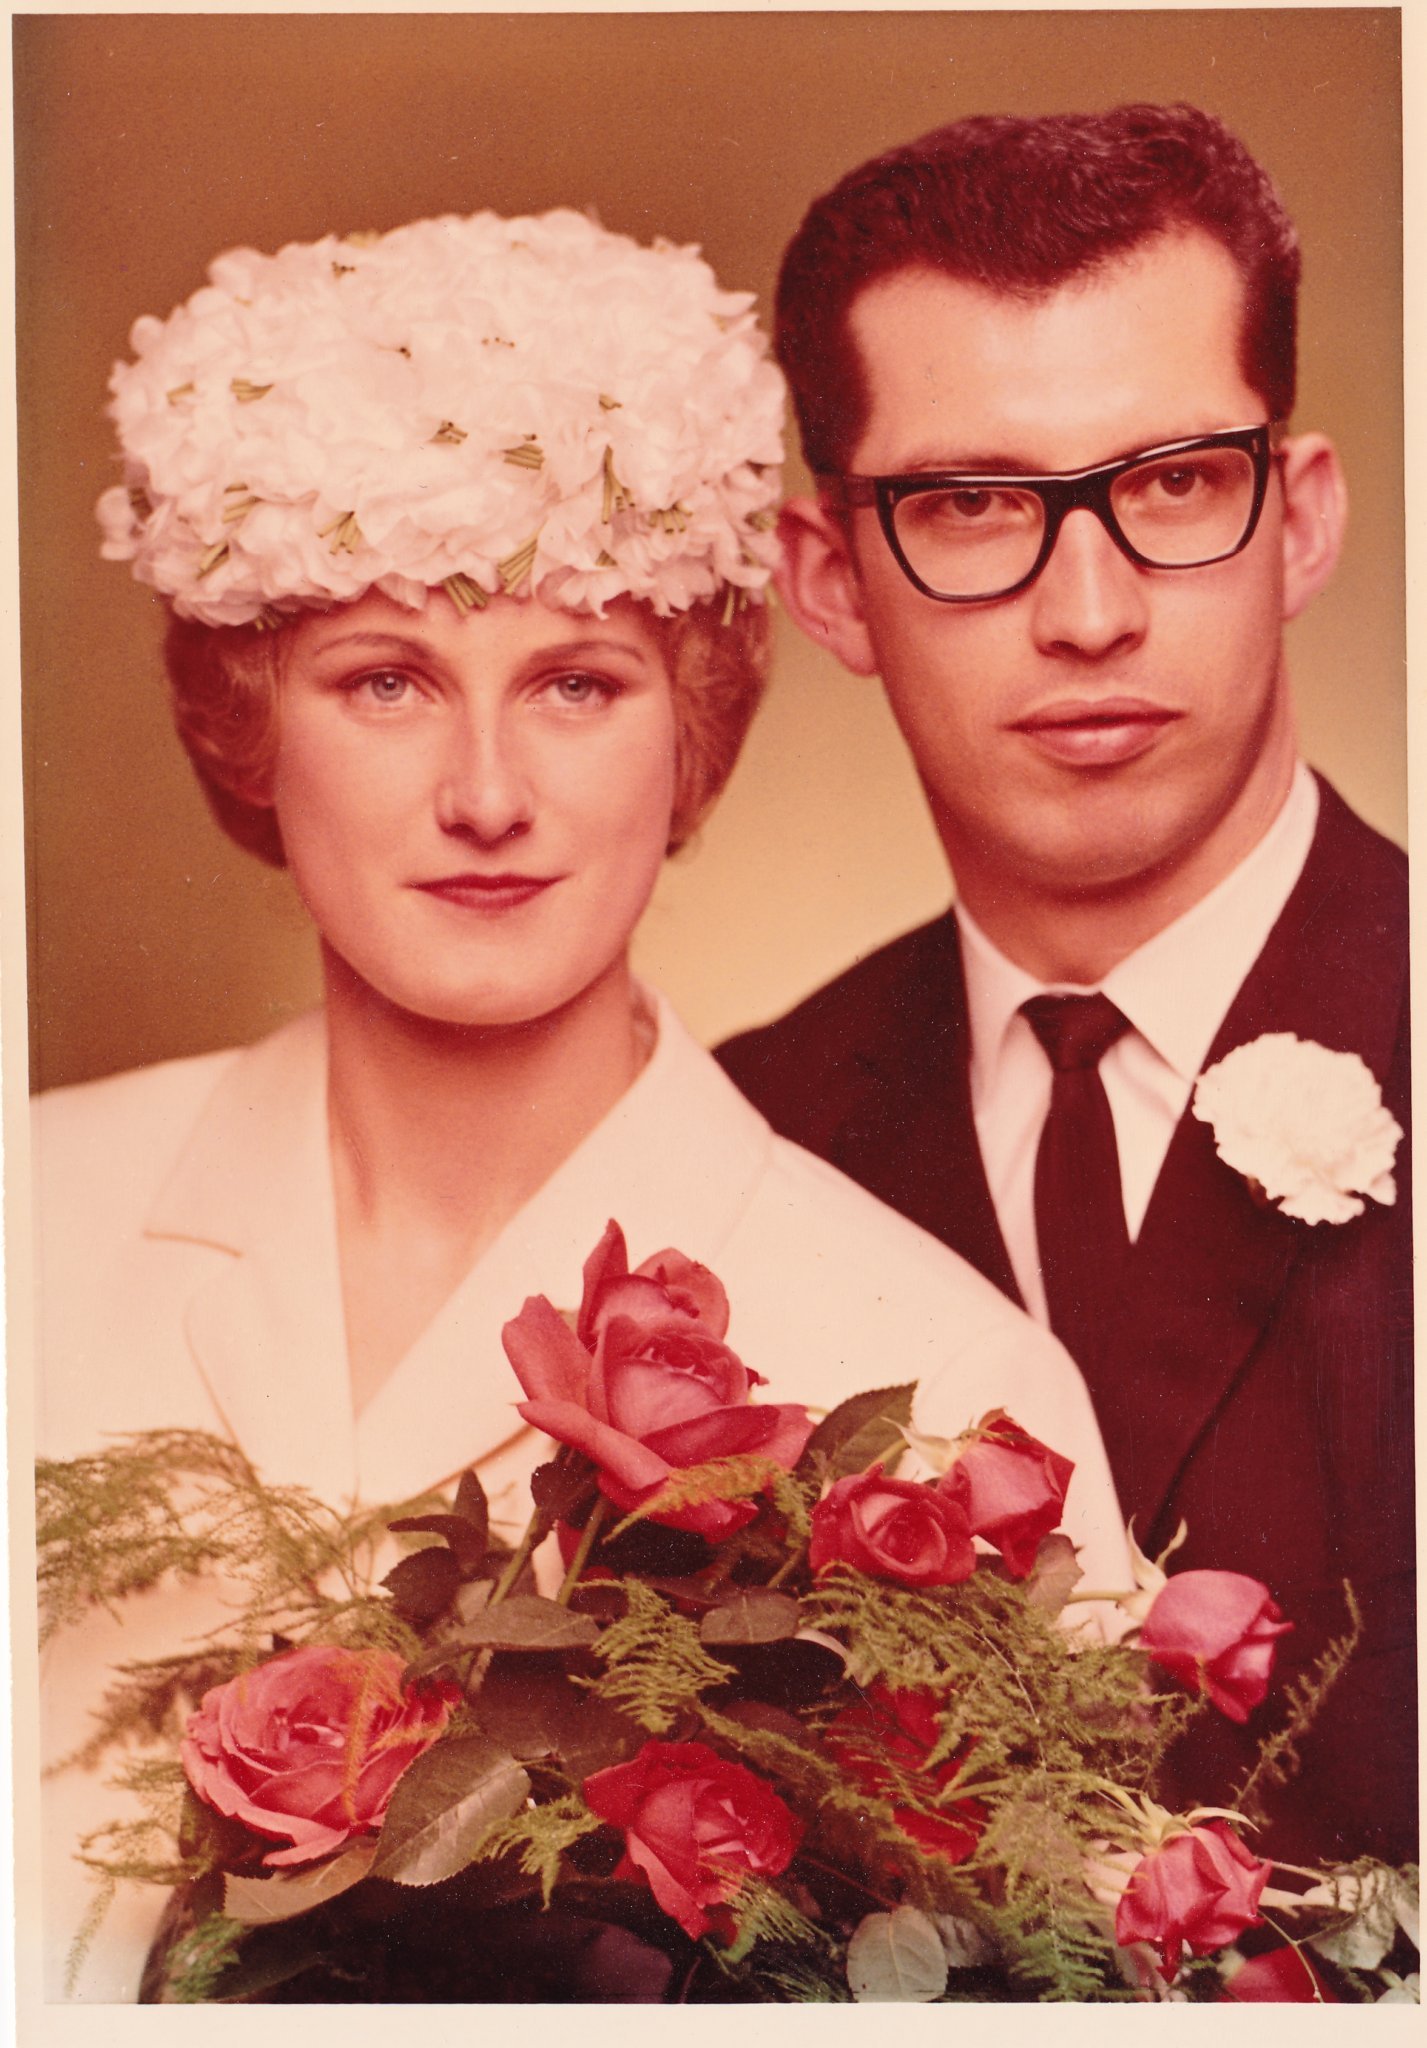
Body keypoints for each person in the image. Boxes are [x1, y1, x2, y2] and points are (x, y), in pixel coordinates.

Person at [33, 207, 1127, 2000]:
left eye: (575, 683)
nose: (487, 795)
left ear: (692, 721)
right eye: (385, 680)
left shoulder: (948, 1388)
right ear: (249, 721)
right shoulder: (33, 1210)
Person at [717, 105, 1413, 1866]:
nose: (1089, 612)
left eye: (1173, 483)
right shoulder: (733, 1141)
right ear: (829, 583)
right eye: (970, 505)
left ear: (1300, 521)